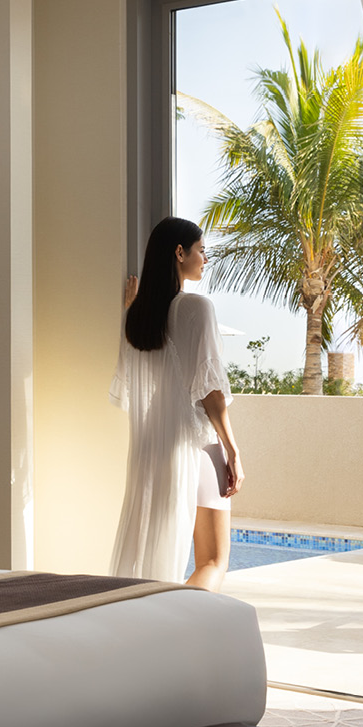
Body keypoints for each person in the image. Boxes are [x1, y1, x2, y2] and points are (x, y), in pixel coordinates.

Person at [109, 216, 244, 590]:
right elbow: (210, 389)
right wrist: (232, 450)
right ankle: (185, 632)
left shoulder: (136, 318)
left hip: (153, 447)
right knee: (213, 560)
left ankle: (155, 621)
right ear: (179, 252)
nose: (205, 259)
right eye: (201, 250)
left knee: (151, 556)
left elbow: (135, 388)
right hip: (197, 443)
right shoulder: (197, 308)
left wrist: (130, 309)